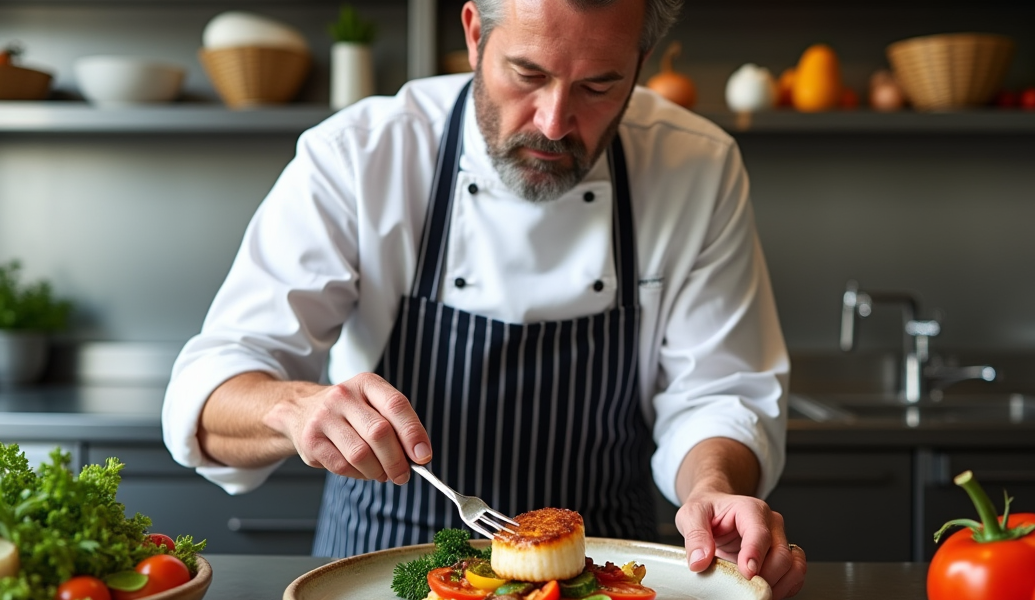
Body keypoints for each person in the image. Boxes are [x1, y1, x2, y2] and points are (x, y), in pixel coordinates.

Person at [163, 0, 806, 597]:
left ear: (642, 64)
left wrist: (715, 489)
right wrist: (295, 405)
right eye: (527, 73)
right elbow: (211, 387)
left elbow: (721, 395)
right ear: (474, 35)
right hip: (386, 575)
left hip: (600, 576)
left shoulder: (696, 166)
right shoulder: (361, 156)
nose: (554, 122)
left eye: (599, 85)